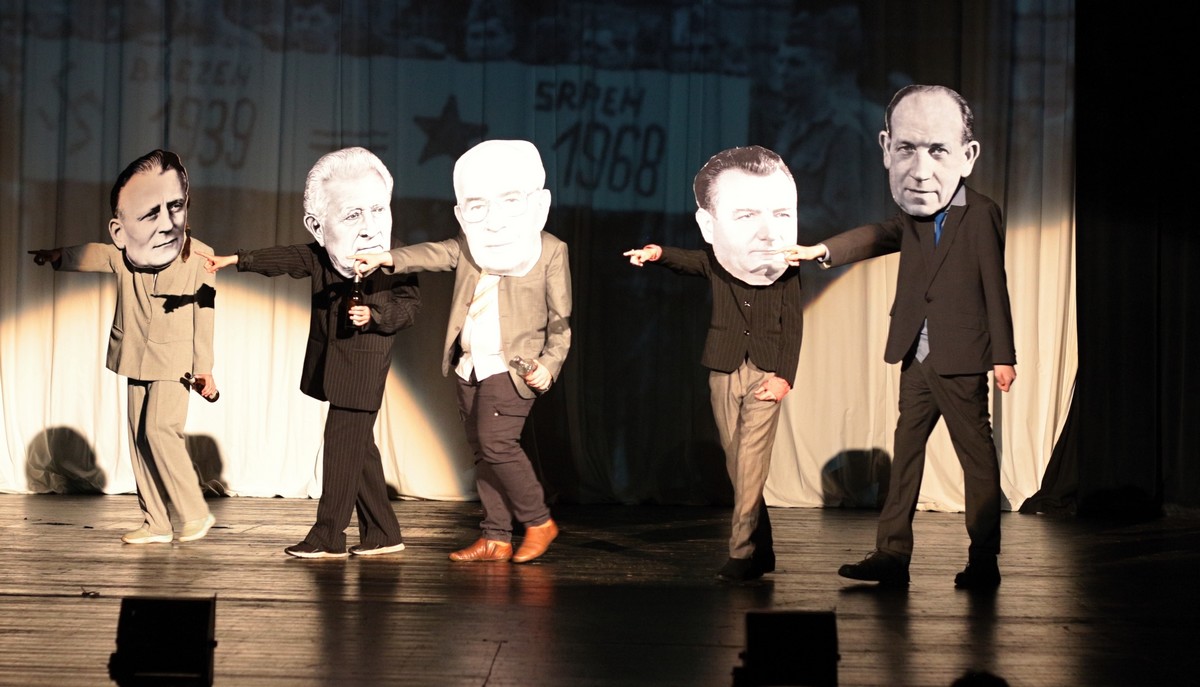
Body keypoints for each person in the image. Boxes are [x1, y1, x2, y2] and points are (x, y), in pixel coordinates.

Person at [783, 84, 1016, 589]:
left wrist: (1004, 355)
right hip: (916, 355)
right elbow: (875, 235)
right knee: (905, 454)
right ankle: (891, 554)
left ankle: (983, 560)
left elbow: (994, 286)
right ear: (888, 148)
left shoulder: (980, 212)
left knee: (976, 460)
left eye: (938, 151)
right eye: (907, 148)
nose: (922, 170)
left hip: (962, 358)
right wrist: (821, 250)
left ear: (967, 157)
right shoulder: (913, 215)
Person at [352, 139, 570, 564]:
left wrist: (549, 364)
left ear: (536, 203)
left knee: (497, 443)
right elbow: (434, 253)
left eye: (509, 200)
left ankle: (539, 521)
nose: (494, 219)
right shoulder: (471, 244)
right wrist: (385, 257)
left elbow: (561, 321)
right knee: (483, 451)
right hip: (469, 364)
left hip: (512, 367)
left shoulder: (550, 250)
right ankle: (495, 536)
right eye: (479, 206)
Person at [198, 147, 420, 559]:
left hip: (364, 368)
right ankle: (383, 533)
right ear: (318, 227)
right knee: (359, 452)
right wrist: (235, 260)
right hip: (332, 366)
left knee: (340, 449)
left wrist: (373, 315)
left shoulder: (397, 257)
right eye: (353, 215)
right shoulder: (322, 256)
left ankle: (328, 537)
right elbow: (283, 257)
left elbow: (408, 308)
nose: (370, 228)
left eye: (379, 210)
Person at [623, 145, 803, 582]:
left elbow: (794, 326)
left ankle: (741, 554)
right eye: (747, 215)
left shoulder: (787, 268)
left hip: (766, 373)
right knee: (738, 464)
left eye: (781, 213)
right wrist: (656, 253)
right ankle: (763, 550)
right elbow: (687, 261)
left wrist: (784, 378)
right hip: (723, 368)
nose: (766, 232)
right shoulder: (718, 262)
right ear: (710, 225)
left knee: (751, 464)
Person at [29, 149, 219, 545]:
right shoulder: (126, 254)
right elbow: (96, 254)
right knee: (138, 438)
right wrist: (59, 255)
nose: (165, 221)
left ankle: (194, 512)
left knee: (160, 430)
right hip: (134, 355)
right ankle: (156, 522)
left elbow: (205, 315)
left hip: (175, 362)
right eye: (150, 212)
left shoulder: (200, 257)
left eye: (175, 206)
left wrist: (205, 369)